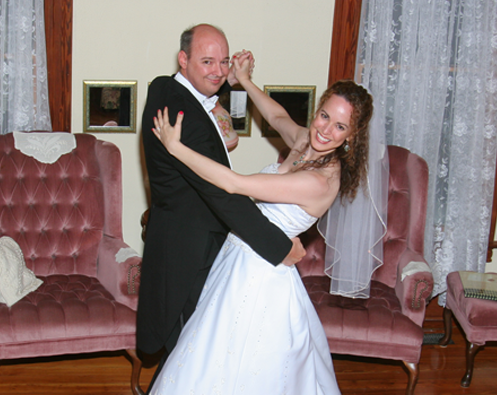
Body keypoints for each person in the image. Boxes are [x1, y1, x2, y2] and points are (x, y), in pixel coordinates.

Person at [147, 50, 374, 394]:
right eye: (324, 116)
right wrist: (244, 80)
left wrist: (176, 148)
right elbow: (277, 115)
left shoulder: (321, 180)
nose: (325, 130)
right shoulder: (305, 142)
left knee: (238, 366)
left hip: (260, 278)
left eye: (339, 126)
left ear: (352, 136)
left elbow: (234, 184)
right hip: (239, 259)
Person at [137, 24, 306, 389]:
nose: (217, 70)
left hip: (182, 238)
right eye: (207, 62)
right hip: (190, 253)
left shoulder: (164, 88)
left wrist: (233, 81)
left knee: (193, 355)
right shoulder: (186, 121)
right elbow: (223, 195)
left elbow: (211, 107)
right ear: (183, 60)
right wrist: (278, 246)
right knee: (189, 356)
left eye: (223, 61)